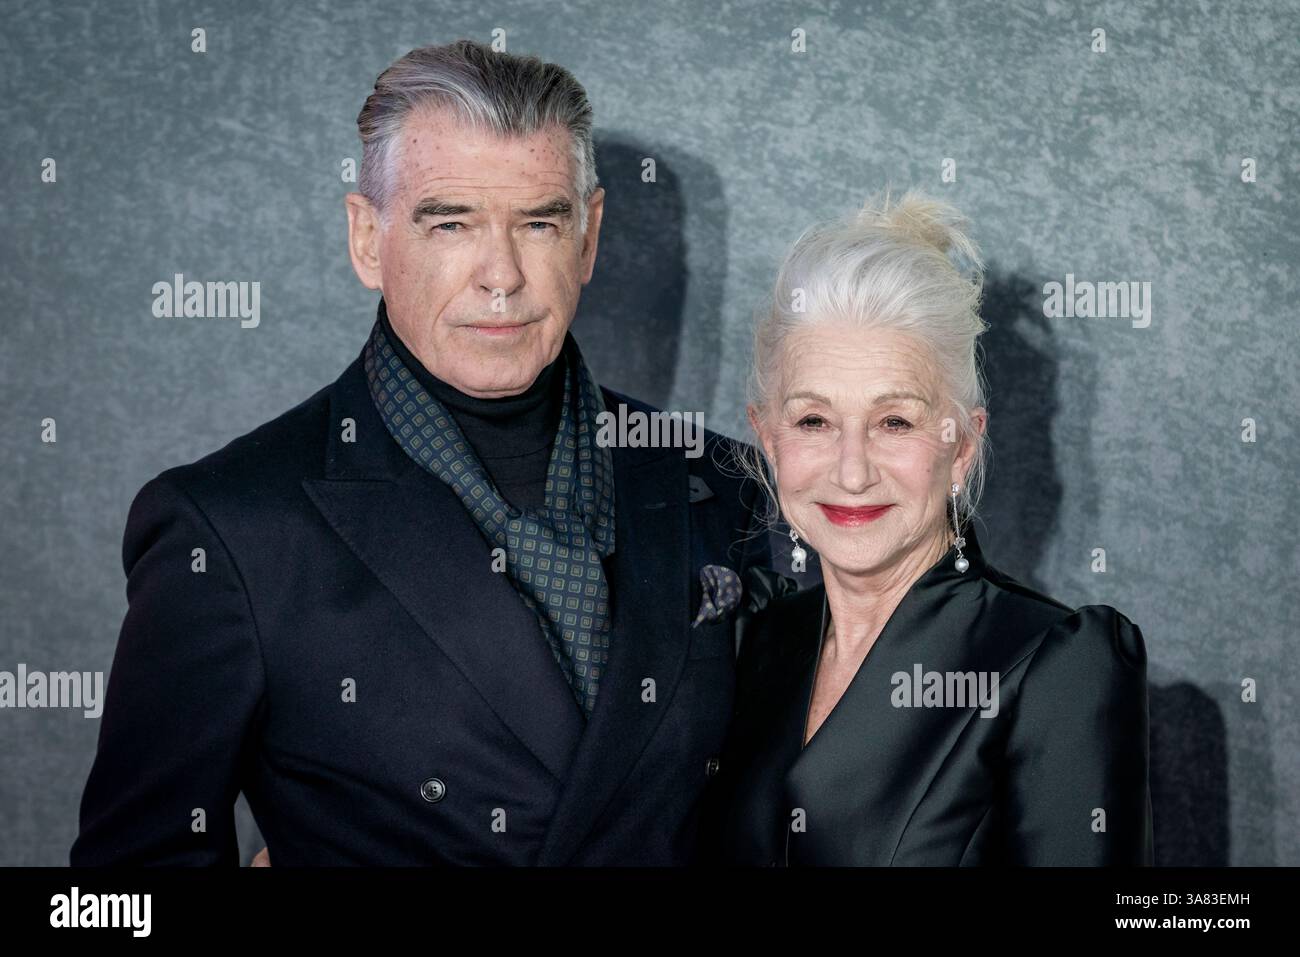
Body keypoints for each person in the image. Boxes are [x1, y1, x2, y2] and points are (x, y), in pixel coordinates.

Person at [71, 40, 769, 866]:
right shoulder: (229, 528)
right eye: (451, 223)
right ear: (368, 239)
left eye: (538, 222)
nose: (501, 276)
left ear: (587, 238)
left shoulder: (726, 484)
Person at [702, 191, 1154, 865]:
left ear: (961, 446)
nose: (852, 472)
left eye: (895, 422)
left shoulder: (1055, 665)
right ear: (767, 438)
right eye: (814, 422)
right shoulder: (751, 643)